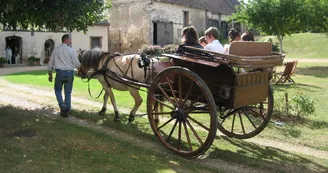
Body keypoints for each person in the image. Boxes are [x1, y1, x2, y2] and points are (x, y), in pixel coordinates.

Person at [47, 34, 81, 117]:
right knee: (68, 92)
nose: (71, 41)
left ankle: (62, 106)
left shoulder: (56, 50)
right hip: (69, 73)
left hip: (60, 73)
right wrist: (80, 69)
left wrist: (50, 74)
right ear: (65, 40)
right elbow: (77, 64)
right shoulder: (71, 50)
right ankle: (67, 110)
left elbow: (50, 63)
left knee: (57, 90)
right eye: (70, 40)